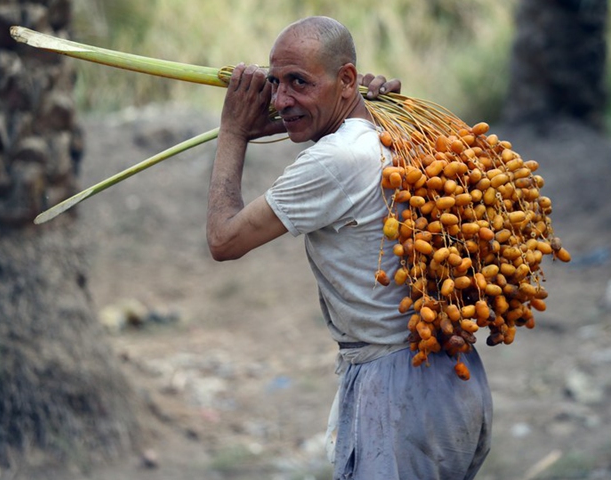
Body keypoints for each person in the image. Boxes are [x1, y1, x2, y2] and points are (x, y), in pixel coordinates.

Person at [206, 16, 492, 480]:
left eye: (298, 82)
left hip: (400, 392)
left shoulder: (336, 160)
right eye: (275, 83)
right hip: (453, 378)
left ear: (345, 80)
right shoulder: (397, 134)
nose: (280, 100)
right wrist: (349, 103)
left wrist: (233, 132)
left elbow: (223, 240)